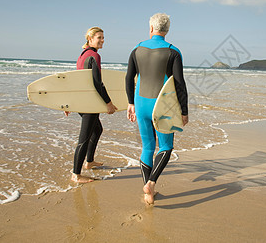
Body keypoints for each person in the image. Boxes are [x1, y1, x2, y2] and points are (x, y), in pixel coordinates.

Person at [126, 13, 188, 204]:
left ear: (151, 28)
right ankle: (151, 182)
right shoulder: (173, 51)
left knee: (147, 146)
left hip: (141, 103)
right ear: (167, 30)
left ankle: (148, 194)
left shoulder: (136, 49)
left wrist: (130, 103)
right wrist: (184, 111)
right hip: (162, 106)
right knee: (166, 146)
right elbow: (179, 84)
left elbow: (129, 78)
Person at [66, 27, 118, 183]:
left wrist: (69, 103)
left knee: (97, 129)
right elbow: (97, 83)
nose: (102, 40)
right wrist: (108, 103)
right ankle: (76, 174)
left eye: (103, 37)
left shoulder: (82, 55)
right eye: (99, 37)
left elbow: (77, 81)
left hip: (84, 101)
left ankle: (89, 162)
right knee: (84, 137)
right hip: (90, 103)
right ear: (90, 39)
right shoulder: (94, 56)